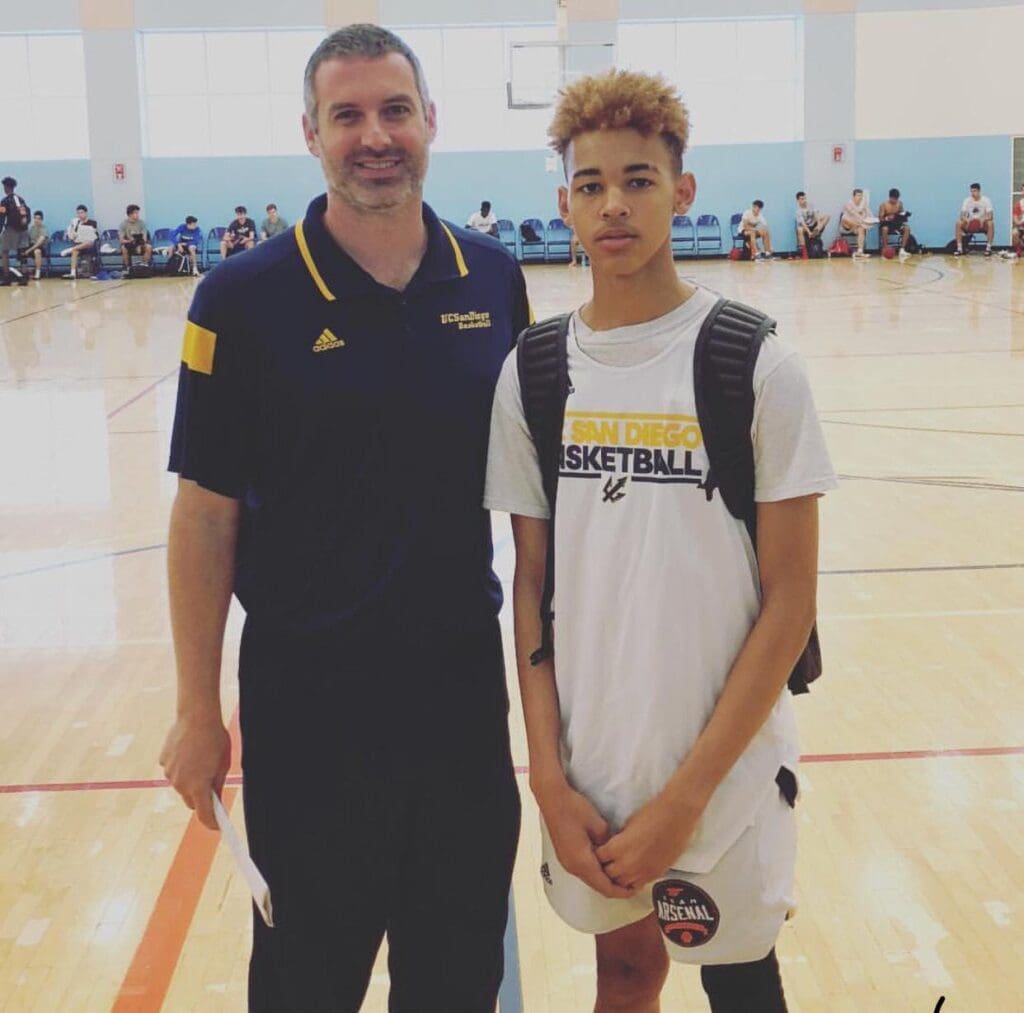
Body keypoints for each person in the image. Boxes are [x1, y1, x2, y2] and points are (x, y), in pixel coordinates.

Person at [160, 23, 529, 1012]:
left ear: (430, 121)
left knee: (457, 980)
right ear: (311, 133)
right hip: (307, 714)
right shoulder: (240, 299)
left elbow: (533, 501)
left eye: (395, 110)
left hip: (460, 704)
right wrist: (197, 709)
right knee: (305, 985)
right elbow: (203, 516)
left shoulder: (492, 278)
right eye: (347, 115)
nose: (375, 136)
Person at [485, 68, 836, 1012]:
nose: (614, 204)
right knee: (627, 975)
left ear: (683, 192)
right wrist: (547, 777)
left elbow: (791, 600)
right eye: (591, 184)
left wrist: (687, 797)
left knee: (742, 977)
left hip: (725, 769)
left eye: (638, 180)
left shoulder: (756, 364)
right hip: (594, 769)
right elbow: (530, 588)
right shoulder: (533, 372)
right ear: (564, 205)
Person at [0, 176, 31, 286]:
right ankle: (24, 277)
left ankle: (6, 277)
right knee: (22, 252)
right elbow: (27, 213)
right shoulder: (21, 199)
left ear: (6, 187)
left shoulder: (5, 201)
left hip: (11, 229)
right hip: (24, 229)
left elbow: (2, 217)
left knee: (4, 252)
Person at [954, 182, 994, 257]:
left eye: (974, 191)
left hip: (982, 225)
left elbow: (991, 216)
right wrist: (967, 219)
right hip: (970, 224)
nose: (973, 193)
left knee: (990, 223)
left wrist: (983, 219)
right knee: (958, 223)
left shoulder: (986, 200)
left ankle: (988, 249)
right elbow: (961, 216)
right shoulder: (967, 200)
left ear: (979, 191)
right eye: (971, 191)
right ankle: (959, 249)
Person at [63, 204, 98, 279]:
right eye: (78, 213)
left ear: (86, 213)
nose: (80, 215)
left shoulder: (93, 222)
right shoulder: (76, 223)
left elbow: (92, 235)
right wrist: (72, 232)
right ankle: (73, 273)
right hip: (79, 243)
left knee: (89, 242)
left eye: (81, 213)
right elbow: (73, 237)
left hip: (88, 244)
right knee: (75, 251)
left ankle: (70, 249)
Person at [840, 188, 876, 259]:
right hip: (847, 225)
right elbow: (855, 214)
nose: (860, 197)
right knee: (845, 218)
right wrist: (863, 222)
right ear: (853, 196)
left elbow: (868, 213)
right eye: (858, 195)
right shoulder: (848, 204)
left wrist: (872, 219)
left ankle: (860, 252)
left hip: (857, 226)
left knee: (861, 229)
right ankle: (861, 225)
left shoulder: (863, 204)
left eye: (861, 196)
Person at [878, 188, 911, 260]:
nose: (895, 201)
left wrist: (904, 214)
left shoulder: (900, 203)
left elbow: (902, 213)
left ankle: (902, 250)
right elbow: (880, 218)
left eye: (896, 199)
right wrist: (887, 218)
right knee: (884, 229)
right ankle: (885, 250)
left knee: (907, 228)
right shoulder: (883, 205)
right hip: (887, 224)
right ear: (890, 197)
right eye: (894, 199)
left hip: (897, 223)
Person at [794, 191, 829, 259]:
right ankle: (804, 252)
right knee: (799, 229)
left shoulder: (810, 205)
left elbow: (816, 215)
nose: (804, 200)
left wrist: (818, 225)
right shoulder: (798, 211)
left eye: (805, 198)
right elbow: (803, 223)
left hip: (814, 225)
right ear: (798, 200)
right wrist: (809, 232)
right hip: (806, 227)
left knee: (827, 216)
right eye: (802, 199)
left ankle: (817, 231)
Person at [119, 204, 153, 270]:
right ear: (130, 214)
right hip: (129, 244)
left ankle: (144, 266)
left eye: (138, 213)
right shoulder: (123, 224)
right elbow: (121, 240)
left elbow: (144, 238)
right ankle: (127, 267)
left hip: (140, 243)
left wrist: (139, 245)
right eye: (136, 213)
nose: (138, 215)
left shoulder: (142, 223)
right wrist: (131, 241)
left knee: (149, 247)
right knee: (123, 248)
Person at [22, 210, 48, 280]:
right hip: (31, 246)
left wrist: (29, 250)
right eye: (35, 218)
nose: (36, 220)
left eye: (38, 219)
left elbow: (39, 243)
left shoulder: (44, 228)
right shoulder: (32, 228)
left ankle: (37, 273)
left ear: (41, 220)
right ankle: (24, 273)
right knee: (21, 250)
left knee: (37, 251)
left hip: (40, 247)